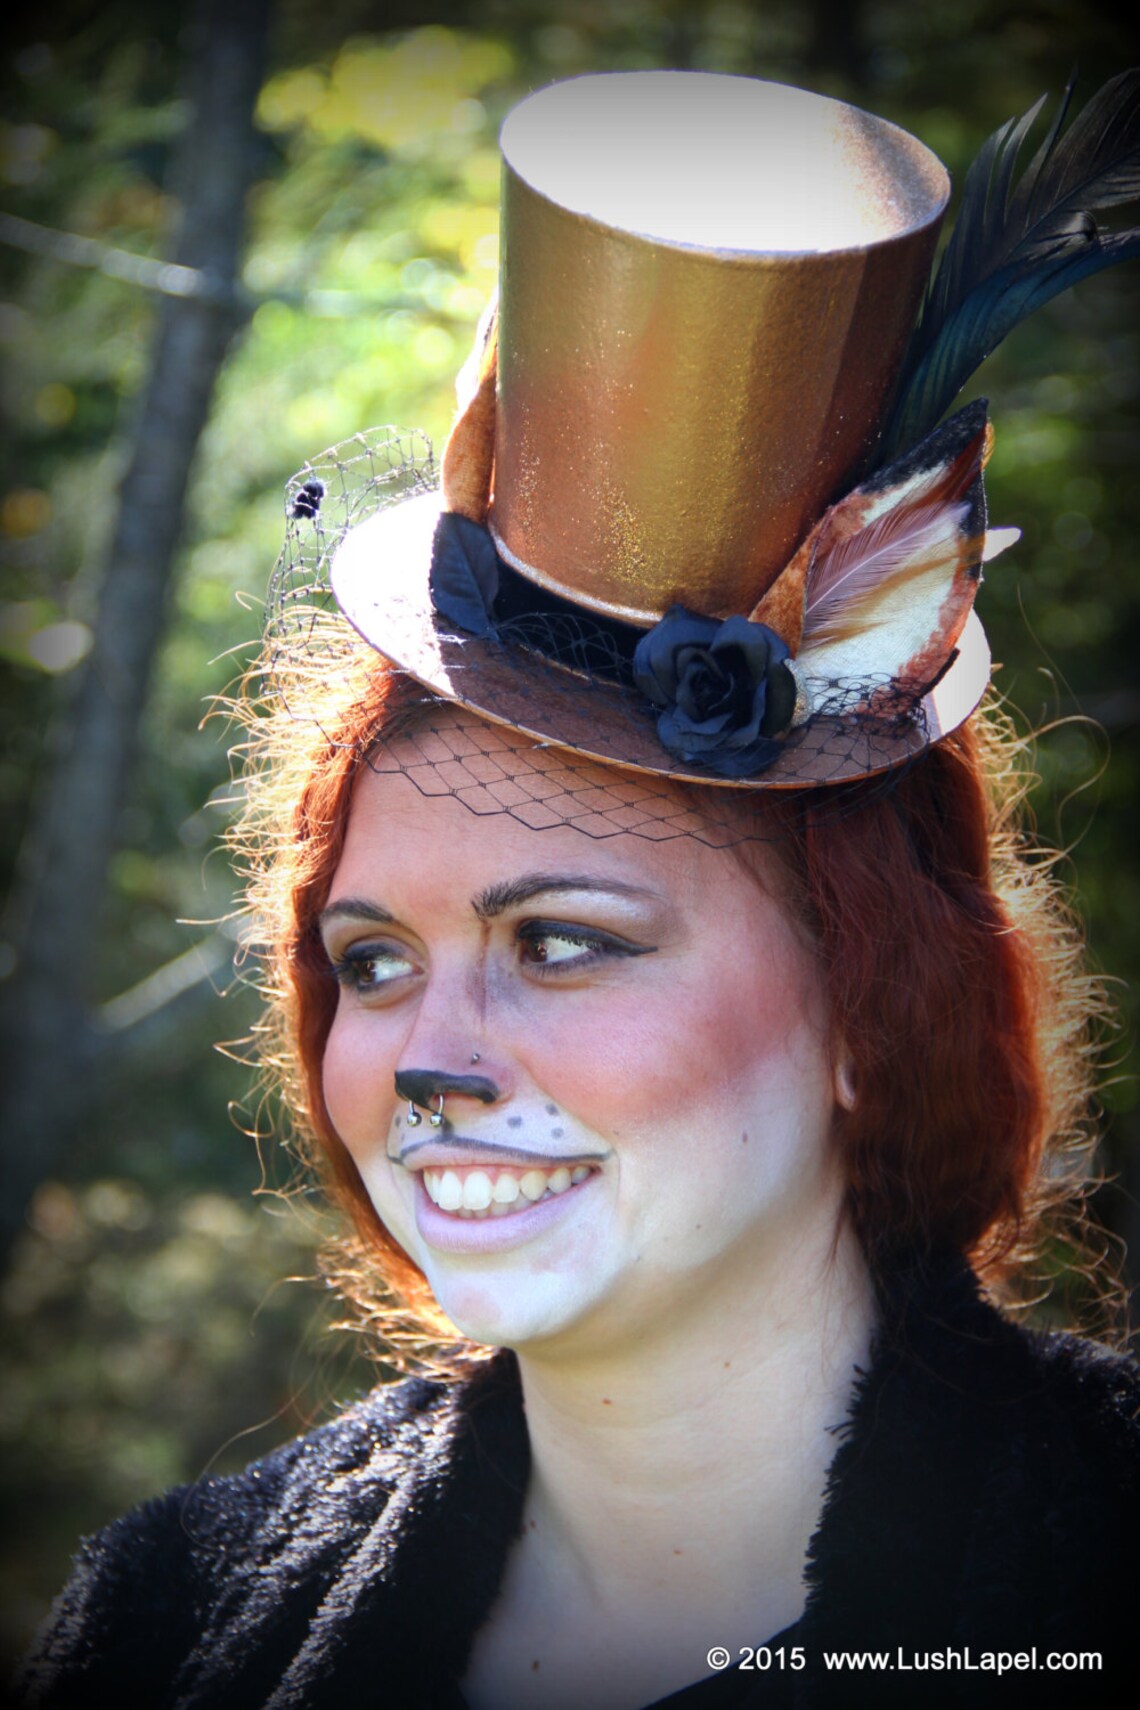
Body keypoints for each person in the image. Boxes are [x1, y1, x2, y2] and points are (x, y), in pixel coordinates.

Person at [18, 68, 1140, 1710]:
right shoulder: (171, 1621)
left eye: (558, 941)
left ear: (869, 1004)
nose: (426, 1060)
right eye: (372, 961)